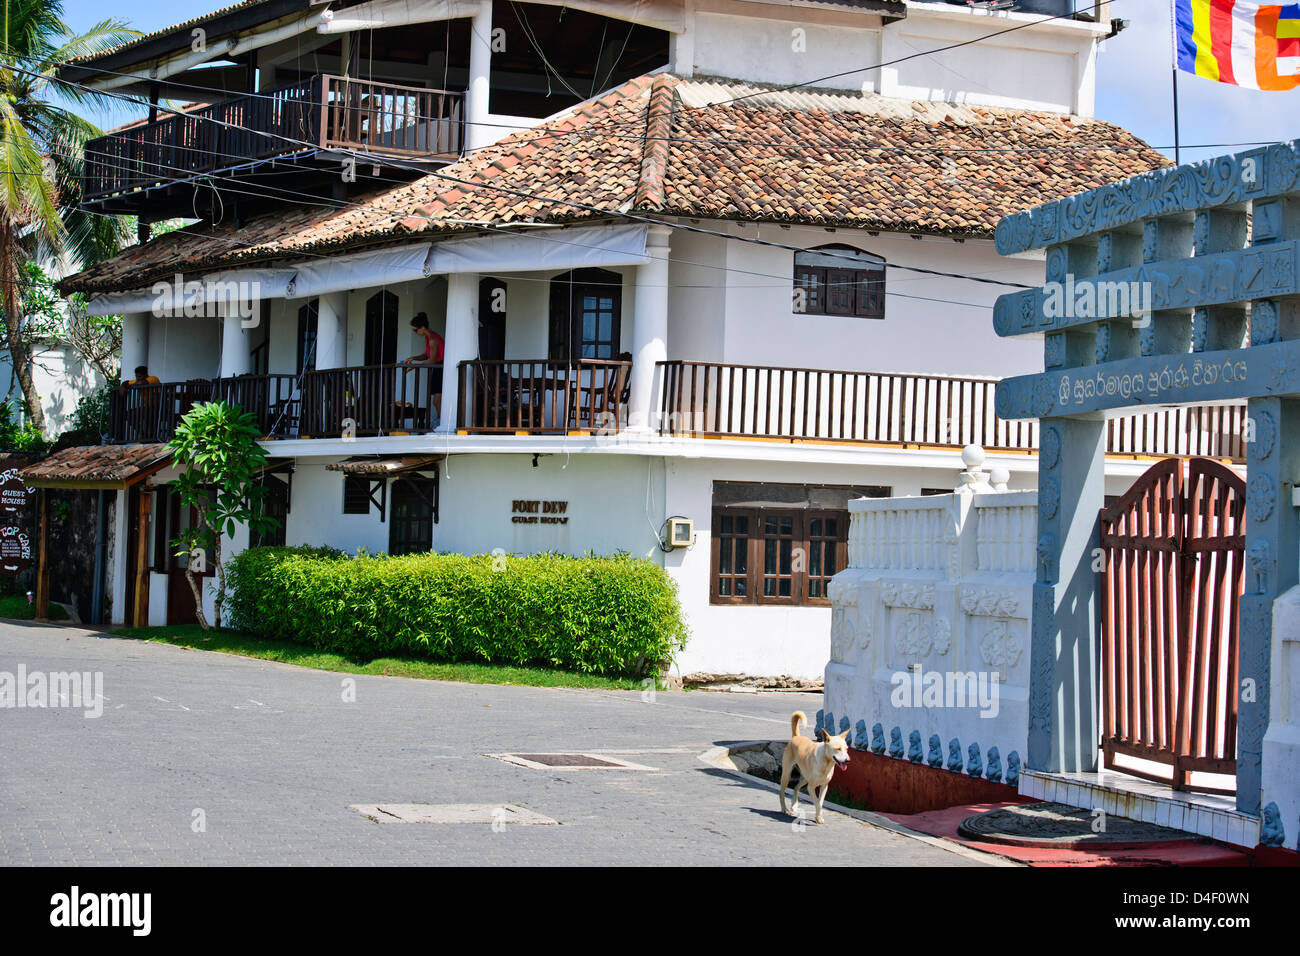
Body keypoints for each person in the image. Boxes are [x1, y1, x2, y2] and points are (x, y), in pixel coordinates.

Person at [401, 313, 444, 426]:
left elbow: (432, 360)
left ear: (423, 328)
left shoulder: (433, 339)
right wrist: (413, 358)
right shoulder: (428, 338)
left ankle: (441, 424)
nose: (415, 333)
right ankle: (440, 422)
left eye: (415, 330)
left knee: (437, 401)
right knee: (436, 401)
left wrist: (414, 366)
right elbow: (426, 355)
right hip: (438, 367)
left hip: (440, 367)